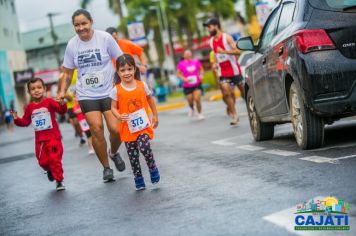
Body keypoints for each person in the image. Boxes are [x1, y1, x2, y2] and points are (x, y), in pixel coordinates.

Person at [57, 9, 125, 182]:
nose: (81, 28)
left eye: (84, 23)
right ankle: (106, 168)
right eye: (77, 25)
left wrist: (124, 82)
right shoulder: (72, 45)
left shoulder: (105, 38)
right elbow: (67, 73)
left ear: (91, 22)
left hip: (109, 91)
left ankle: (114, 152)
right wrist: (62, 92)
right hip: (87, 94)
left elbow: (121, 60)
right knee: (96, 129)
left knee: (116, 130)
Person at [110, 54, 160, 191]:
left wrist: (155, 115)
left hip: (143, 126)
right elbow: (113, 107)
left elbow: (150, 99)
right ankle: (138, 177)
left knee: (145, 147)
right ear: (118, 72)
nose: (126, 73)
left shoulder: (142, 85)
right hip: (128, 128)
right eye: (123, 70)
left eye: (129, 69)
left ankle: (152, 167)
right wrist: (119, 116)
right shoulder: (116, 90)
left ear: (134, 69)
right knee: (133, 156)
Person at [11, 78, 67, 191]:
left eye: (39, 87)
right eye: (33, 89)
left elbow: (61, 111)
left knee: (55, 159)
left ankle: (59, 181)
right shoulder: (29, 107)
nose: (36, 90)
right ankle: (49, 170)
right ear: (29, 92)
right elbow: (26, 122)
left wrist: (62, 104)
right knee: (43, 162)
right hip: (40, 140)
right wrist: (16, 119)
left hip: (53, 138)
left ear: (44, 89)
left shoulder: (50, 102)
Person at [203, 18, 244, 125]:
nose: (208, 29)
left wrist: (224, 51)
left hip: (234, 71)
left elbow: (238, 52)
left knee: (244, 92)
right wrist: (214, 63)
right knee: (226, 92)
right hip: (223, 72)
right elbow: (216, 55)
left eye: (209, 26)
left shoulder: (227, 37)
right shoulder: (211, 41)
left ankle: (253, 110)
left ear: (216, 26)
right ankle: (234, 115)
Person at [176, 49, 205, 120]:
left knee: (197, 99)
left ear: (191, 54)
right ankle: (192, 108)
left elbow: (201, 69)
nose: (188, 55)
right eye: (186, 54)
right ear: (184, 55)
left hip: (197, 84)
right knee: (190, 101)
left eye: (189, 53)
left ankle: (200, 113)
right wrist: (184, 79)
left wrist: (201, 75)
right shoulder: (181, 64)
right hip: (187, 86)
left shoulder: (196, 62)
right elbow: (178, 73)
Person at [63, 69, 86, 145]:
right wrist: (66, 96)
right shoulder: (63, 76)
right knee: (75, 122)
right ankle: (81, 136)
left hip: (79, 101)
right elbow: (62, 90)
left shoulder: (77, 72)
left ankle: (88, 134)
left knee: (82, 120)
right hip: (70, 104)